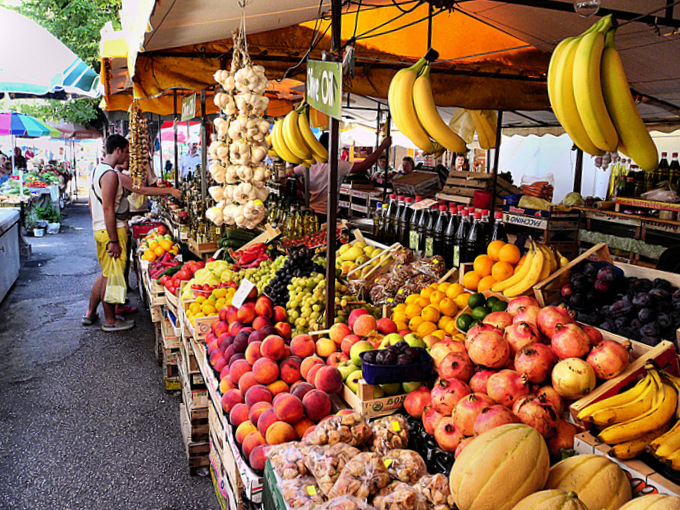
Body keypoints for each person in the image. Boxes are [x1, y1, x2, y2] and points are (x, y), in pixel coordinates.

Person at [83, 134, 134, 331]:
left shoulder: (97, 170)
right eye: (127, 151)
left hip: (99, 228)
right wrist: (113, 239)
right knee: (113, 276)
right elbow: (108, 209)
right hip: (111, 230)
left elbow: (91, 203)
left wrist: (98, 227)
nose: (127, 156)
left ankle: (93, 313)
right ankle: (110, 321)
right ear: (118, 150)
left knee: (106, 274)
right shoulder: (110, 174)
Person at [293, 133, 392, 222]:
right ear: (333, 146)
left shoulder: (308, 164)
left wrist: (301, 186)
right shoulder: (337, 165)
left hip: (311, 211)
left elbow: (290, 174)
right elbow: (364, 165)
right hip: (328, 214)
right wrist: (382, 147)